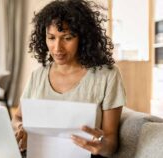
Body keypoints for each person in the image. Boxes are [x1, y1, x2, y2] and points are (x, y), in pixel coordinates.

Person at [12, 0, 126, 157]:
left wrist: (101, 145)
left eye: (67, 38)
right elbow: (18, 117)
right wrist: (20, 128)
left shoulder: (107, 76)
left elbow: (111, 142)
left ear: (83, 38)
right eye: (51, 38)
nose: (57, 48)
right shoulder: (38, 75)